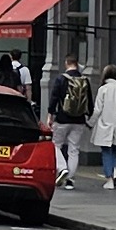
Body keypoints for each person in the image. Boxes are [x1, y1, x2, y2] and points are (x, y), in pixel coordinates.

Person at [46, 56, 91, 186]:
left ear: (66, 64)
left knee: (56, 144)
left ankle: (62, 168)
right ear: (77, 64)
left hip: (62, 118)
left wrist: (50, 114)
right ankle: (70, 180)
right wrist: (88, 116)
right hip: (79, 120)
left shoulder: (61, 79)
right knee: (74, 149)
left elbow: (54, 98)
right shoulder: (85, 80)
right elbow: (90, 102)